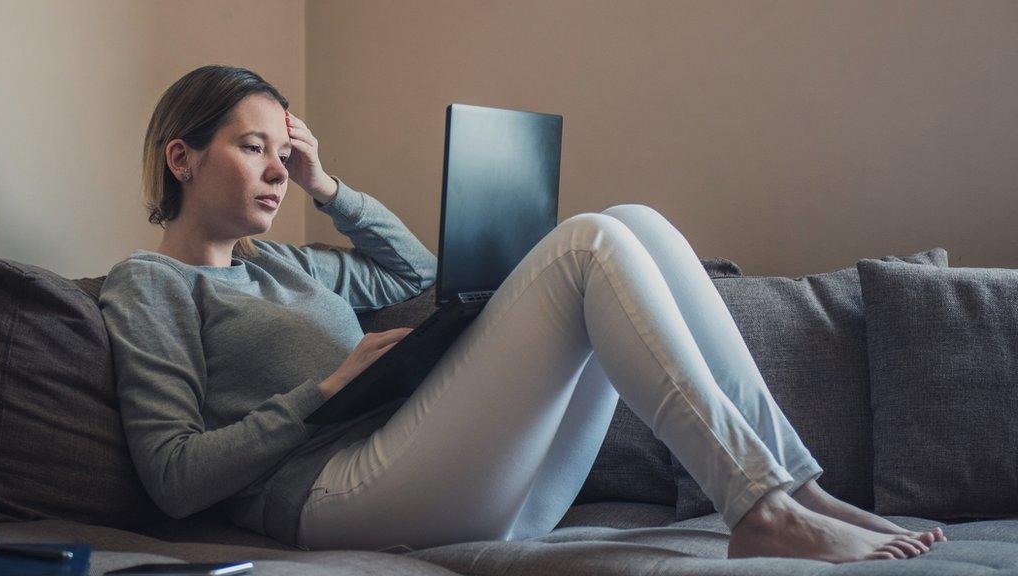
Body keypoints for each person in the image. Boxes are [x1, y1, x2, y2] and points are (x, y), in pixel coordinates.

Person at [99, 65, 945, 564]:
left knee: (637, 223)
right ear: (181, 157)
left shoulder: (284, 262)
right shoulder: (150, 285)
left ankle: (796, 487)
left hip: (466, 487)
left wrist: (330, 186)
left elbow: (423, 274)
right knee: (585, 246)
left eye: (285, 155)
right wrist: (326, 389)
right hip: (331, 495)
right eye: (255, 150)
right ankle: (758, 512)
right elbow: (173, 477)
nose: (278, 172)